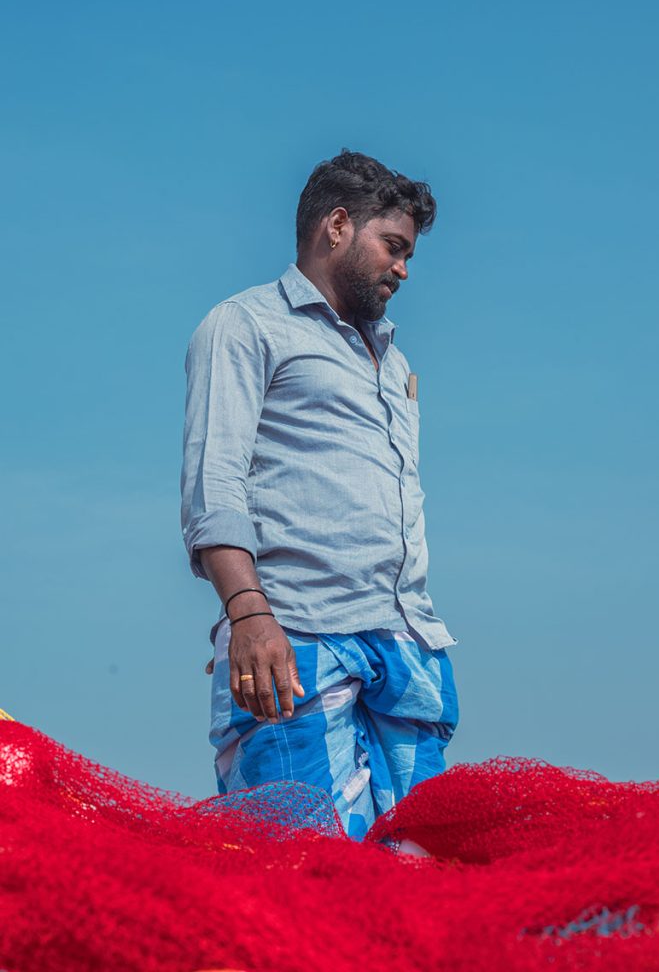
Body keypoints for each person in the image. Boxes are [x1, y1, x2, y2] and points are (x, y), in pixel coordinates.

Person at [181, 149, 458, 840]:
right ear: (337, 225)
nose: (403, 269)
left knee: (423, 871)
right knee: (308, 875)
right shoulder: (246, 325)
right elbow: (214, 481)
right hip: (295, 642)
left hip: (404, 644)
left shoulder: (391, 361)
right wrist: (247, 615)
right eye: (392, 247)